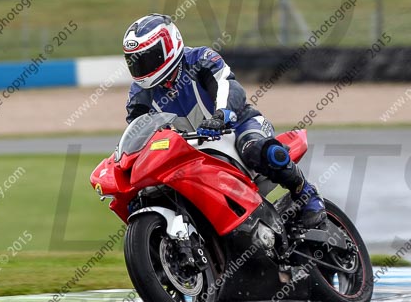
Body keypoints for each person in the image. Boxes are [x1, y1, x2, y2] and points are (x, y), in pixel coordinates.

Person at [122, 13, 325, 228]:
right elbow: (138, 131)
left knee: (256, 148)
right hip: (192, 149)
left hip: (237, 126)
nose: (142, 67)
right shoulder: (139, 94)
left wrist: (222, 115)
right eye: (136, 61)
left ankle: (305, 193)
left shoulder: (200, 59)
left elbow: (228, 85)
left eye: (148, 58)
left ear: (170, 45)